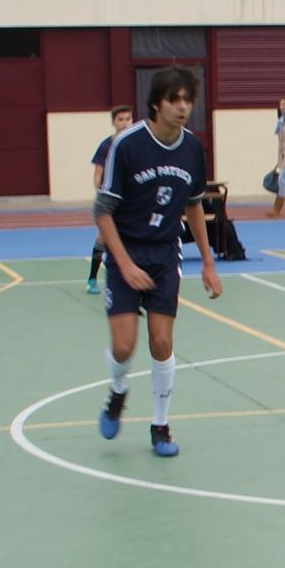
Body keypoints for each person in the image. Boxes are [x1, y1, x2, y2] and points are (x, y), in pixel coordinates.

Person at [94, 67, 222, 457]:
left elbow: (194, 204)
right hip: (125, 251)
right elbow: (102, 211)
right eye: (175, 100)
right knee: (123, 346)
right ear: (156, 103)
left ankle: (161, 425)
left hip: (165, 253)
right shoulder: (128, 145)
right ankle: (117, 391)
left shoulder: (191, 149)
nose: (183, 107)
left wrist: (208, 261)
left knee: (163, 341)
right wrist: (125, 265)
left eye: (188, 100)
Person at [86, 105, 134, 295]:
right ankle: (92, 278)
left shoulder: (137, 144)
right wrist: (102, 196)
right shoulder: (107, 145)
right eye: (120, 119)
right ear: (114, 122)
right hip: (112, 201)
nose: (124, 123)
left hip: (131, 200)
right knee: (104, 239)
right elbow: (98, 173)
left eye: (128, 119)